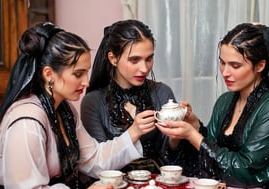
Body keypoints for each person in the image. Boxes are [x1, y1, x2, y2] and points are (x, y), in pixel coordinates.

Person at [156, 23, 269, 189]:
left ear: (260, 65)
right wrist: (195, 127)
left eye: (235, 65)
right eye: (222, 63)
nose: (225, 72)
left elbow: (245, 171)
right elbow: (214, 155)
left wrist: (193, 136)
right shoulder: (225, 101)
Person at [0, 22, 150, 189]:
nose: (86, 82)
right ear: (49, 74)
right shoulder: (27, 122)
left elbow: (93, 159)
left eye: (86, 72)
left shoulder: (65, 109)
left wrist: (134, 131)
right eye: (78, 74)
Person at [81, 19, 199, 176]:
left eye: (149, 58)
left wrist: (177, 135)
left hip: (159, 186)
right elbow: (99, 165)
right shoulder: (93, 102)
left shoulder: (163, 92)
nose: (144, 68)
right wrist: (134, 131)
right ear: (113, 58)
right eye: (134, 60)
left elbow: (172, 160)